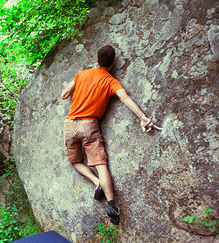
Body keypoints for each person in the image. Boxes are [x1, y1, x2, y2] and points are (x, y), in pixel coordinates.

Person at [61, 45, 161, 225]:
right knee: (100, 163)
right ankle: (111, 205)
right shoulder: (111, 81)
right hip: (89, 124)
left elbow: (64, 94)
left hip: (70, 124)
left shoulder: (81, 74)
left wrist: (67, 85)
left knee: (75, 162)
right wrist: (142, 117)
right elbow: (125, 99)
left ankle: (95, 182)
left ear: (97, 60)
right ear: (113, 62)